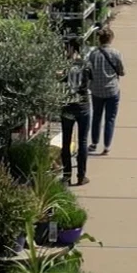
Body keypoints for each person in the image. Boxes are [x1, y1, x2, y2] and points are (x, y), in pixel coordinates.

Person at [86, 28, 124, 156]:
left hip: (97, 90)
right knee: (110, 119)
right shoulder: (116, 53)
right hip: (112, 90)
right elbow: (121, 71)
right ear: (111, 39)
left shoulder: (93, 54)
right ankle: (107, 146)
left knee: (96, 117)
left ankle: (94, 143)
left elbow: (89, 71)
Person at [59, 40, 91, 186]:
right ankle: (81, 175)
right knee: (83, 141)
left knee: (66, 141)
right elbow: (91, 78)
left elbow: (59, 81)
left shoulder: (63, 66)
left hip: (67, 106)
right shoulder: (85, 64)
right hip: (83, 106)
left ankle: (66, 176)